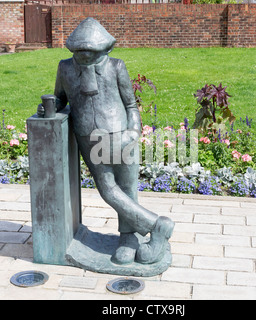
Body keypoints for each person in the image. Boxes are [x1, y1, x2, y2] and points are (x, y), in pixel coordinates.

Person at [38, 18, 174, 265]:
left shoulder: (116, 67)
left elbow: (131, 104)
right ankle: (157, 226)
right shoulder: (65, 68)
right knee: (108, 189)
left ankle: (128, 239)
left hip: (121, 135)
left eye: (91, 53)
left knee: (127, 187)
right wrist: (51, 105)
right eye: (79, 53)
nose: (85, 57)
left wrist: (133, 131)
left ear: (105, 50)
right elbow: (61, 98)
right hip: (88, 137)